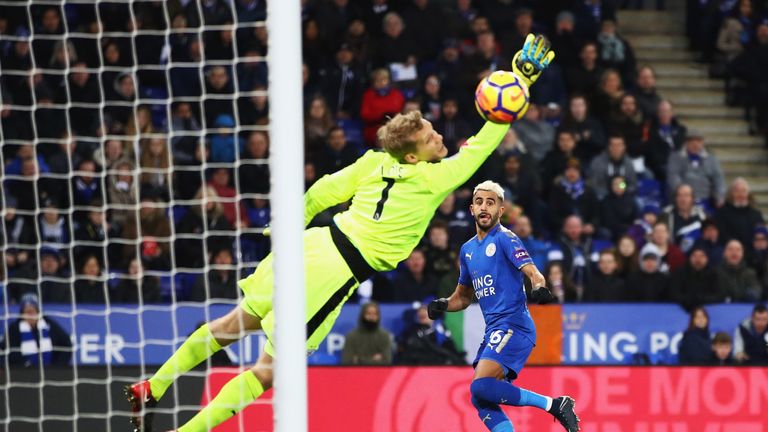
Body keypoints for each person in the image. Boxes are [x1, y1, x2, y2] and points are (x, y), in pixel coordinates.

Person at [125, 33, 557, 432]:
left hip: (308, 245)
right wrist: (520, 79)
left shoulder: (372, 161)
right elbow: (485, 141)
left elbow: (319, 193)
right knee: (268, 370)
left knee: (234, 323)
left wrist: (284, 230)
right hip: (334, 272)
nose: (439, 136)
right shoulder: (434, 180)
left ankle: (154, 386)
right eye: (430, 136)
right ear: (413, 154)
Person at [428, 180, 580, 432]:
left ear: (501, 210)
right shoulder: (467, 250)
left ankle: (554, 404)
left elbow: (533, 272)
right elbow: (463, 297)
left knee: (481, 386)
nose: (484, 207)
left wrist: (538, 286)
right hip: (494, 330)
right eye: (479, 202)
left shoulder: (506, 239)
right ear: (471, 210)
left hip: (514, 325)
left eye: (491, 202)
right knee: (480, 397)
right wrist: (443, 305)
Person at [0, 293, 72, 367]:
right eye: (27, 312)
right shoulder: (14, 329)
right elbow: (4, 351)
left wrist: (57, 366)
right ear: (22, 313)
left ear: (38, 311)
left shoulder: (50, 325)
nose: (30, 316)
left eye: (32, 312)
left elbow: (67, 344)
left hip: (50, 371)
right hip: (22, 372)